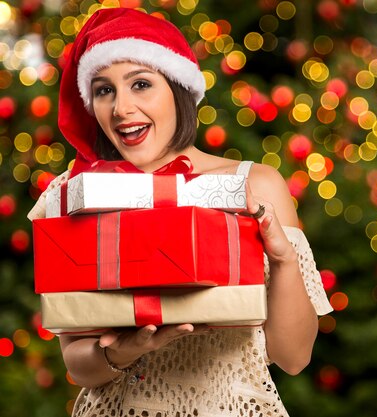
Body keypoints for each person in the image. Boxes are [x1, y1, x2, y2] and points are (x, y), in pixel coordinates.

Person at [28, 7, 333, 417]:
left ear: (178, 89)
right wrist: (122, 353)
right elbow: (76, 362)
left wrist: (282, 261)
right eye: (104, 90)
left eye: (140, 84)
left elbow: (294, 357)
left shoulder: (253, 186)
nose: (121, 108)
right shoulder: (75, 194)